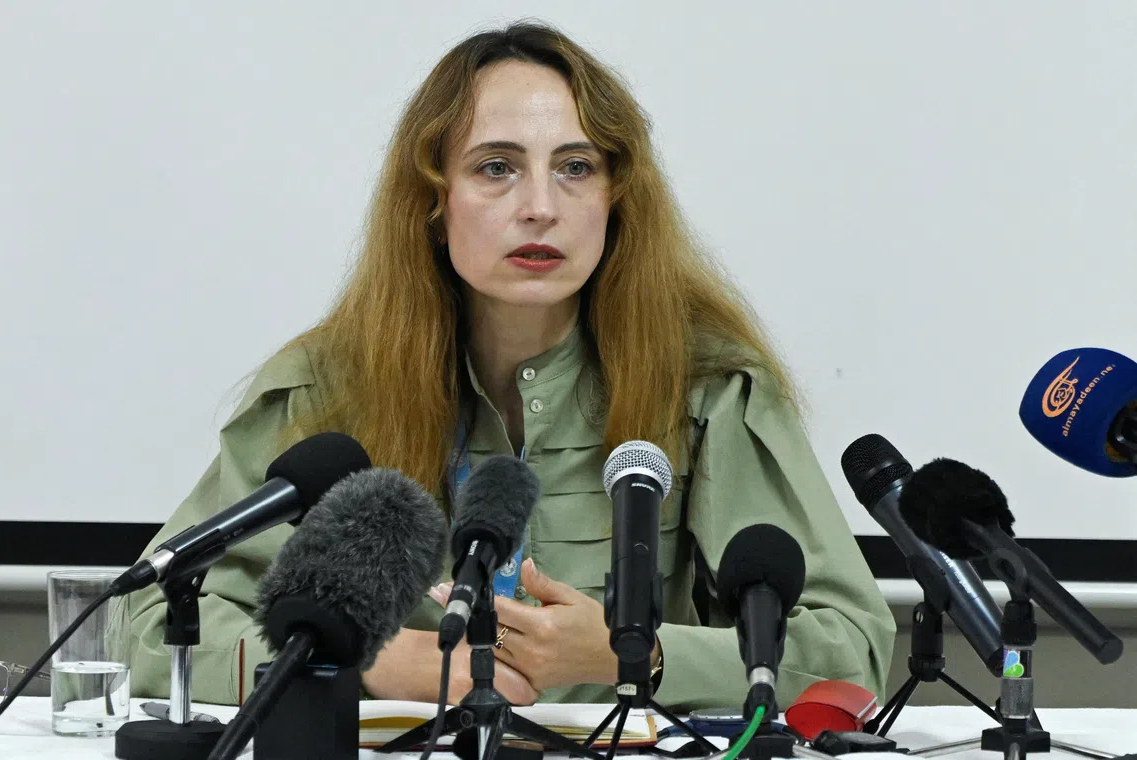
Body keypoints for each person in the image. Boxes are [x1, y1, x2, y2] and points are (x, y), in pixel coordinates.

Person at [129, 21, 895, 712]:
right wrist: (378, 660)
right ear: (432, 202)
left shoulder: (708, 389)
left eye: (575, 167)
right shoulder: (329, 386)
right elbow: (158, 619)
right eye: (496, 167)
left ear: (616, 199)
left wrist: (647, 656)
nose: (540, 207)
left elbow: (851, 647)